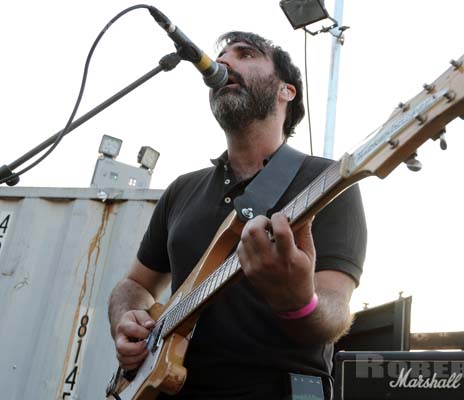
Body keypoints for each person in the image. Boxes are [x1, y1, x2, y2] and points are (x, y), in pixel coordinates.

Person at [108, 31, 367, 399]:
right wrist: (126, 320)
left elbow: (335, 311)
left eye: (245, 54)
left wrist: (298, 300)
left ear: (286, 91)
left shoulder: (327, 182)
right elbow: (134, 285)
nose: (224, 63)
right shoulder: (183, 189)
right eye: (222, 56)